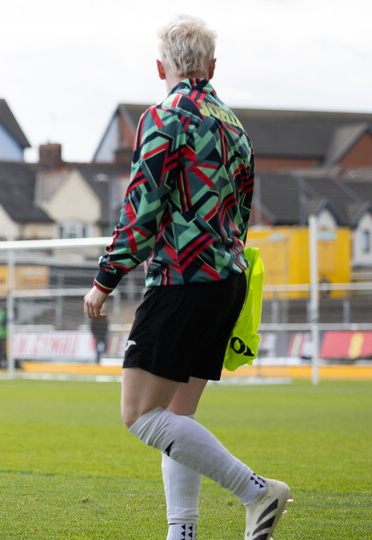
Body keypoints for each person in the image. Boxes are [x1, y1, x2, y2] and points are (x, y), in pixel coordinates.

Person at [82, 16, 290, 540]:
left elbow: (141, 211)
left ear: (161, 67)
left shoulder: (163, 117)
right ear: (212, 66)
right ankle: (183, 533)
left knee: (139, 415)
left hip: (183, 279)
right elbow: (241, 217)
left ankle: (256, 490)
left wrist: (105, 279)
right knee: (178, 418)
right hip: (227, 280)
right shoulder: (236, 126)